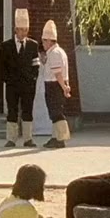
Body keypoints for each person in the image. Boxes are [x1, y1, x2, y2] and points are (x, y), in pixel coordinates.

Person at [1, 8, 41, 148]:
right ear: (16, 30)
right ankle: (11, 139)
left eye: (26, 30)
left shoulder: (33, 45)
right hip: (12, 84)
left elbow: (36, 64)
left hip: (28, 84)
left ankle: (28, 138)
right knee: (12, 110)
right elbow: (2, 66)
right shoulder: (6, 46)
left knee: (27, 110)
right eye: (21, 30)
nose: (23, 33)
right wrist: (7, 80)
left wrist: (33, 78)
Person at [40, 20, 72, 149]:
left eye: (44, 41)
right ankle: (55, 137)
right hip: (56, 85)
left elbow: (58, 73)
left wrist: (64, 87)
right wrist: (66, 85)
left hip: (54, 86)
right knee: (54, 113)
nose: (43, 44)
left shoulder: (54, 54)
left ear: (49, 41)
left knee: (56, 112)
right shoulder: (60, 52)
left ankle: (61, 138)